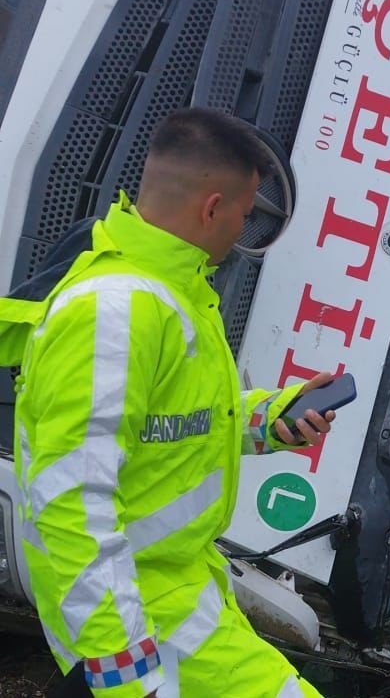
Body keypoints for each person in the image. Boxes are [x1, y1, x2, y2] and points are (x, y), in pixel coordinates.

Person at [8, 108, 335, 697]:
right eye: (244, 212)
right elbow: (71, 506)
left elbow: (180, 426)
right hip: (139, 615)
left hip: (177, 596)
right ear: (212, 207)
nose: (244, 230)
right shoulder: (114, 313)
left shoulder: (169, 296)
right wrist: (126, 677)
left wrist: (271, 418)